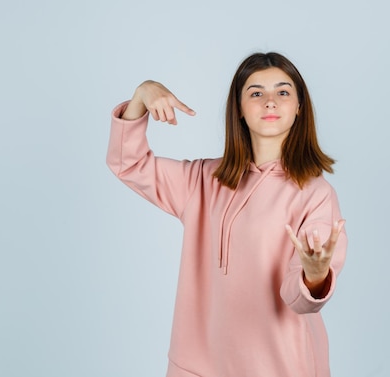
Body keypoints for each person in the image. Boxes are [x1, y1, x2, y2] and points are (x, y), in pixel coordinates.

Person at [106, 52, 348, 377]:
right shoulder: (203, 181)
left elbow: (299, 300)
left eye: (283, 92)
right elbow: (129, 164)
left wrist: (314, 276)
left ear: (299, 107)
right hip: (197, 364)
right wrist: (142, 94)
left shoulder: (314, 194)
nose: (270, 102)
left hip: (280, 364)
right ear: (239, 109)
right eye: (256, 93)